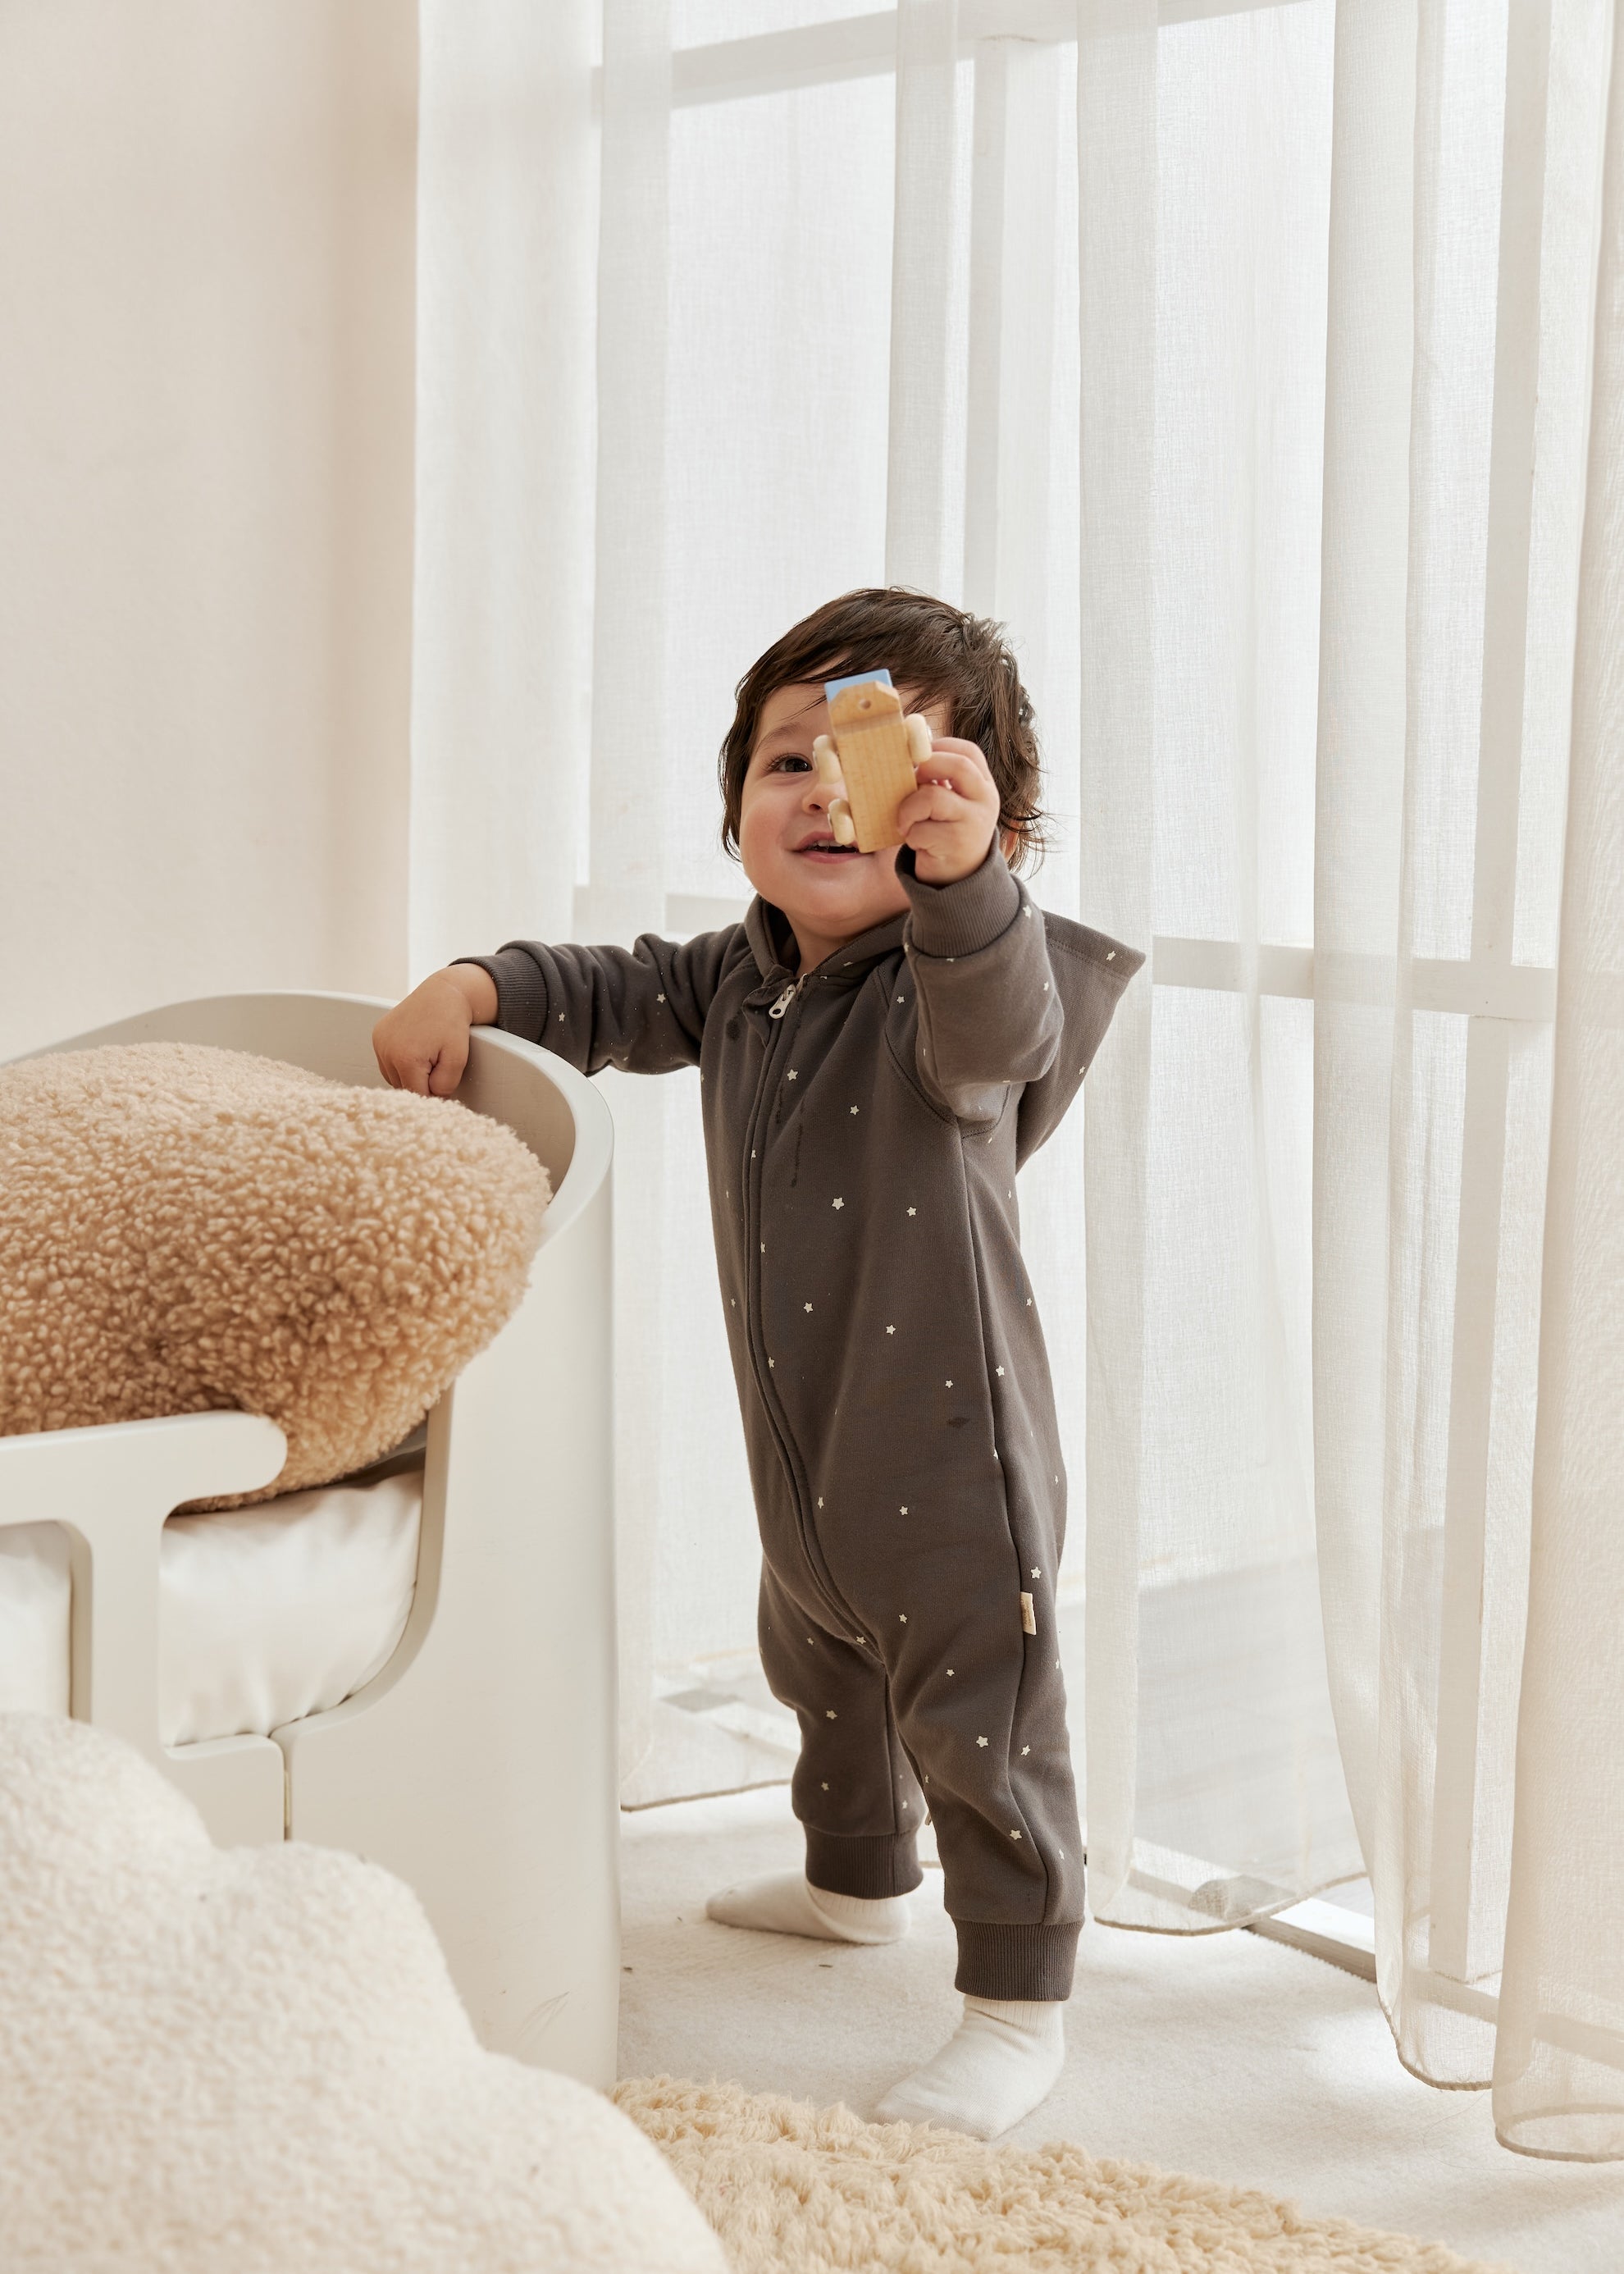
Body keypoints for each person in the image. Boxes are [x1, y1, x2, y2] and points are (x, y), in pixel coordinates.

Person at [372, 587, 1143, 2138]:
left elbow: (1005, 1029)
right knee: (821, 1666)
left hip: (947, 1451)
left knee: (978, 1717)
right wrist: (477, 984)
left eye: (886, 767)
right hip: (801, 1443)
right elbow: (599, 992)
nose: (827, 791)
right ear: (736, 813)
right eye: (787, 761)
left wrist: (970, 882)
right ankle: (854, 1882)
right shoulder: (736, 978)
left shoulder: (956, 993)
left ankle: (1015, 1997)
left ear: (966, 822)